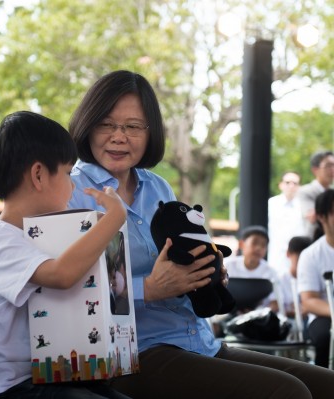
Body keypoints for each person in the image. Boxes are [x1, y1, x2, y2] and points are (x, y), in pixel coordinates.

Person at [68, 70, 334, 399]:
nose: (119, 136)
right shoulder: (71, 192)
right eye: (106, 124)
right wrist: (147, 289)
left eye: (133, 126)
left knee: (326, 384)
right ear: (88, 125)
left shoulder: (158, 187)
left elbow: (185, 254)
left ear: (150, 133)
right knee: (288, 393)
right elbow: (62, 290)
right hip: (131, 355)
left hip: (198, 341)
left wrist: (206, 272)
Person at [0, 111, 131, 399]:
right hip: (7, 386)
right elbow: (61, 275)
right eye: (68, 174)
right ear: (39, 175)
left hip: (48, 376)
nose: (73, 186)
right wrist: (114, 218)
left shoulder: (40, 237)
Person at [298, 189, 334, 368]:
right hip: (324, 316)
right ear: (321, 217)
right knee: (325, 337)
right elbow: (309, 300)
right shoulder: (311, 255)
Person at [225, 225, 279, 312]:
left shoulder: (271, 273)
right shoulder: (227, 266)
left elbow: (275, 303)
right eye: (255, 243)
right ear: (241, 244)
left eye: (263, 245)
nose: (259, 248)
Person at [268, 171, 305, 274]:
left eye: (295, 183)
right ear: (281, 185)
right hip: (275, 256)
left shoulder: (303, 206)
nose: (291, 186)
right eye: (288, 182)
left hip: (297, 258)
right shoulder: (271, 204)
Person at [297, 150, 334, 238]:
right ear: (315, 170)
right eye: (328, 165)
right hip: (314, 240)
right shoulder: (306, 191)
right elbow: (311, 216)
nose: (332, 169)